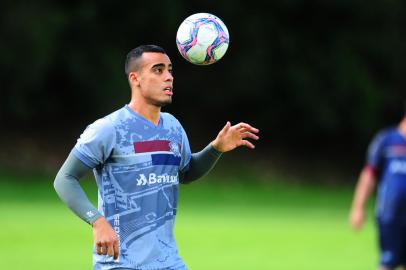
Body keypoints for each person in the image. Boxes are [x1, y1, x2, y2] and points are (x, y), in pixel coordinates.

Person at [54, 44, 259, 270]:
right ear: (135, 78)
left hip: (169, 261)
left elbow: (187, 172)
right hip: (121, 263)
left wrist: (216, 148)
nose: (169, 77)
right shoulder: (109, 128)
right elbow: (65, 178)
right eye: (158, 70)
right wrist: (97, 221)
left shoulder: (173, 127)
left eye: (170, 70)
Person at [350, 105, 406, 270]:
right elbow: (369, 175)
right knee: (389, 260)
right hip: (390, 214)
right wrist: (358, 207)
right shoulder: (386, 140)